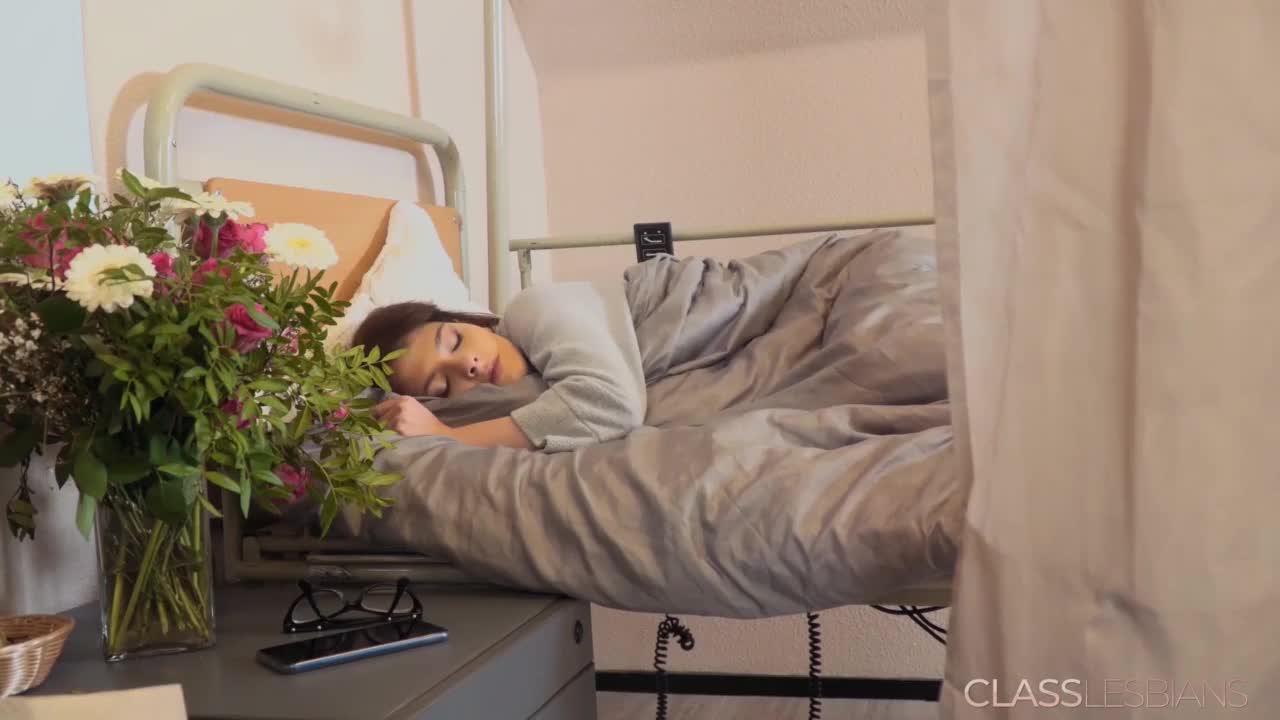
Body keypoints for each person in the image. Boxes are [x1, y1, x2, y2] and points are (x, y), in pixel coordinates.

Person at [355, 280, 647, 453]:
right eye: (442, 386)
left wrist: (449, 435)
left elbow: (611, 404)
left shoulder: (530, 308)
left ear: (465, 321)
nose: (468, 365)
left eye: (455, 341)